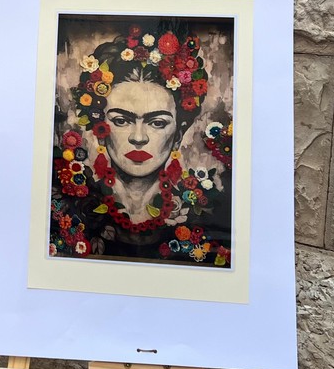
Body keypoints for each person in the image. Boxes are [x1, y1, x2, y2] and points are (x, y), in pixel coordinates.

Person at [49, 22, 233, 267]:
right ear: (100, 130)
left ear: (178, 135)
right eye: (121, 120)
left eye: (157, 123)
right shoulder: (70, 207)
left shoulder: (206, 211)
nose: (138, 137)